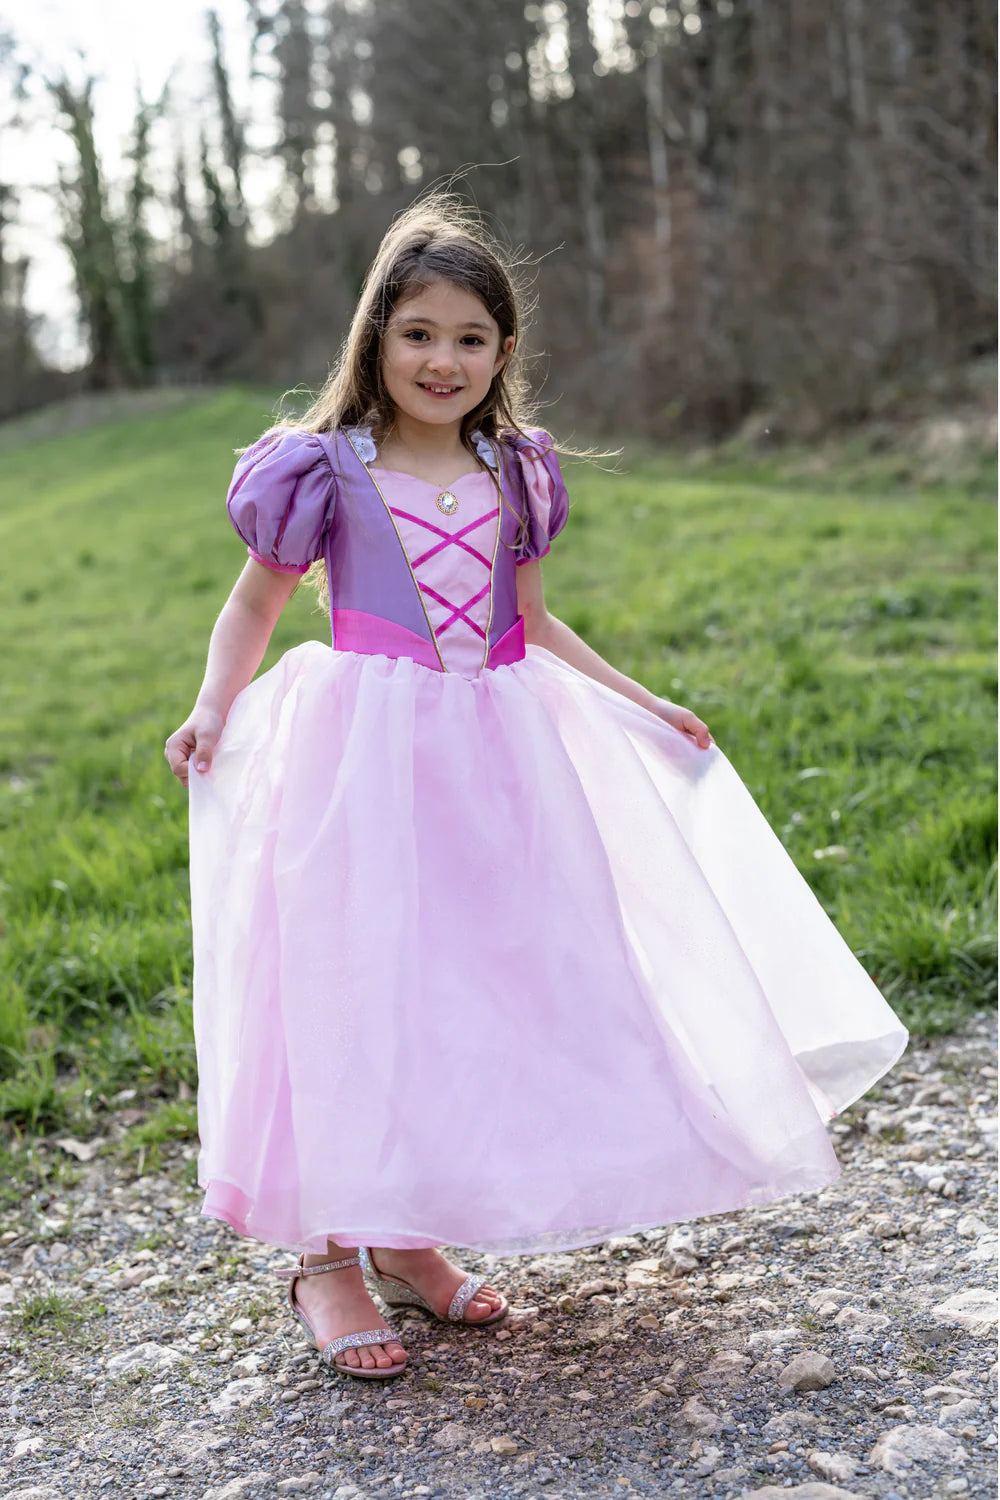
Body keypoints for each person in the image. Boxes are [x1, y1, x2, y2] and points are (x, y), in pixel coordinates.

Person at [164, 193, 908, 1382]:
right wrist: (212, 705)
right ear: (376, 339)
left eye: (469, 338)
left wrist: (641, 701)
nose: (441, 359)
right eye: (417, 334)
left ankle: (409, 1233)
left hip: (500, 762)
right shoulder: (324, 472)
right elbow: (254, 602)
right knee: (358, 986)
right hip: (365, 759)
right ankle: (329, 1256)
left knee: (471, 986)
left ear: (503, 353)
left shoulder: (517, 471)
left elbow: (535, 624)